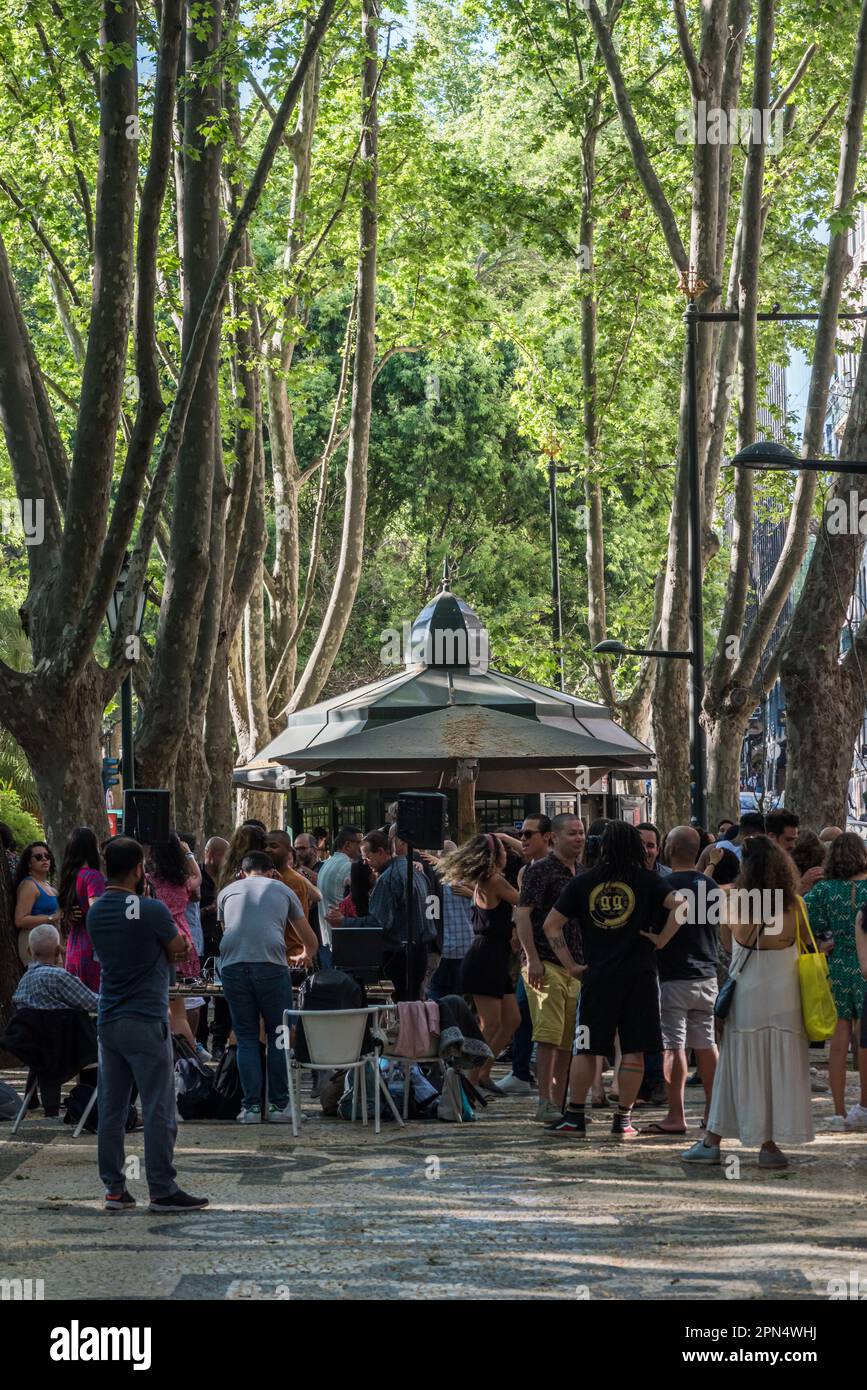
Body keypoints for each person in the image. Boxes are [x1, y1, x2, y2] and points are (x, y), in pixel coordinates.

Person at [541, 821, 684, 1139]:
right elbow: (682, 906)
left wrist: (570, 964)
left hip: (598, 976)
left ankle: (575, 1117)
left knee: (586, 1047)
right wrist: (660, 940)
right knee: (633, 1049)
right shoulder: (649, 881)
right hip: (641, 976)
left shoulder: (584, 882)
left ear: (602, 846)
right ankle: (623, 1119)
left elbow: (551, 925)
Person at [87, 836, 207, 1212]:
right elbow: (180, 947)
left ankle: (115, 1188)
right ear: (139, 869)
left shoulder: (95, 911)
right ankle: (161, 1187)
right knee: (157, 1104)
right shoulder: (149, 909)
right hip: (145, 1017)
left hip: (109, 1019)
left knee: (112, 1107)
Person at [683, 837, 814, 1168]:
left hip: (748, 992)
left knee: (737, 1065)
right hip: (786, 995)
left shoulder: (731, 900)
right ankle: (769, 1146)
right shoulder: (796, 905)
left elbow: (728, 948)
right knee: (778, 1066)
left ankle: (713, 1140)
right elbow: (806, 945)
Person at [217, 851, 318, 1123]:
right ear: (272, 872)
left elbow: (231, 930)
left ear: (241, 872)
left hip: (232, 968)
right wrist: (305, 954)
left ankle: (250, 1108)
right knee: (279, 1036)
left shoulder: (225, 893)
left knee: (247, 1037)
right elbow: (310, 939)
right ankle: (277, 1106)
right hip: (271, 967)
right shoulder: (283, 890)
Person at [645, 825, 720, 1136]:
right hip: (708, 973)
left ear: (669, 849)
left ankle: (676, 1115)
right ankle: (713, 1112)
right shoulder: (711, 885)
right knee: (706, 1044)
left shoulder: (661, 886)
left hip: (673, 975)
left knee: (673, 1046)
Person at [439, 832, 521, 1094]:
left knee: (512, 1020)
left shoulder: (486, 879)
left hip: (495, 956)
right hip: (485, 957)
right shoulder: (494, 880)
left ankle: (482, 1072)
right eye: (505, 850)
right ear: (496, 856)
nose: (509, 854)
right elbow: (525, 899)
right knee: (491, 1023)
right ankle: (468, 1081)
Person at [517, 814, 586, 1123]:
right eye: (572, 833)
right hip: (545, 963)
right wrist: (531, 958)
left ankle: (560, 1102)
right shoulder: (540, 871)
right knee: (547, 1035)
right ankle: (544, 1099)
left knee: (567, 1039)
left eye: (581, 832)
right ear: (554, 838)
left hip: (576, 967)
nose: (579, 838)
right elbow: (522, 916)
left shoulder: (584, 873)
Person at [804, 832, 867, 1130]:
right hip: (866, 964)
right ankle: (865, 1105)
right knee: (864, 1035)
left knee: (840, 1033)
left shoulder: (824, 891)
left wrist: (824, 942)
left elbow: (807, 922)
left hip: (838, 962)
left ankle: (840, 1111)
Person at [13, 923, 100, 1120]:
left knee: (45, 1045)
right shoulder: (60, 976)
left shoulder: (25, 980)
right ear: (59, 950)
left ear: (29, 951)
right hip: (65, 1048)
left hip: (35, 1048)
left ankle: (35, 1100)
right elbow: (93, 1003)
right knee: (98, 1043)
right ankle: (89, 1104)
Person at [331, 829, 430, 1001]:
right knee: (414, 1004)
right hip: (420, 949)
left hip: (400, 954)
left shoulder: (388, 879)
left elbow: (378, 923)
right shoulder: (416, 872)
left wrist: (343, 921)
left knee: (404, 1007)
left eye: (367, 856)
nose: (365, 862)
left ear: (382, 852)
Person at [146, 834, 202, 1049]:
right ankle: (190, 1052)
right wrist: (187, 852)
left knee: (171, 1008)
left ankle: (181, 1052)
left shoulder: (150, 881)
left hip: (160, 939)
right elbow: (197, 875)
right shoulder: (182, 881)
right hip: (184, 938)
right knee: (182, 1005)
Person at [57, 827, 106, 992]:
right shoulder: (93, 876)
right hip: (92, 949)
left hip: (73, 948)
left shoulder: (69, 877)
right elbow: (97, 913)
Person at [197, 835, 231, 1060]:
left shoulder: (227, 879)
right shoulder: (196, 876)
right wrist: (213, 907)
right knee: (200, 996)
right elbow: (190, 912)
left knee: (222, 997)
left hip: (223, 945)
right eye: (224, 856)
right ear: (211, 855)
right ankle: (199, 1040)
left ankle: (219, 1042)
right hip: (201, 945)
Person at [315, 825, 362, 968]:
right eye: (359, 843)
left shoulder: (327, 864)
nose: (362, 847)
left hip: (327, 937)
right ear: (348, 845)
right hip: (342, 939)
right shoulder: (348, 866)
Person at [13, 842, 60, 970]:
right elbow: (20, 920)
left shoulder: (50, 887)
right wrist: (51, 918)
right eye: (38, 857)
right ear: (29, 863)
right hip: (33, 945)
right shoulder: (29, 885)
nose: (44, 859)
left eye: (47, 856)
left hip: (50, 946)